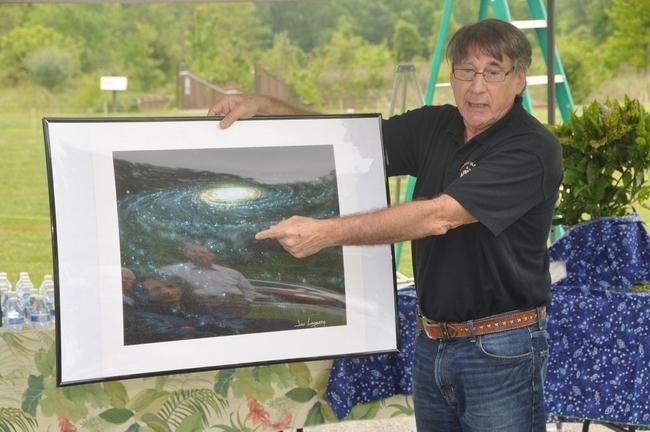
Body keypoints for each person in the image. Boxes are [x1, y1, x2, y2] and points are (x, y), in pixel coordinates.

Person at [209, 18, 562, 432]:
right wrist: (266, 107)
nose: (476, 86)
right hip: (432, 344)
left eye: (493, 72)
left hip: (502, 350)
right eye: (465, 71)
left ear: (520, 80)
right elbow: (346, 143)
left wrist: (325, 232)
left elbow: (439, 216)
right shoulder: (437, 125)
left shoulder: (532, 148)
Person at [161, 241, 256, 318]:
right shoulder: (172, 270)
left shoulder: (232, 272)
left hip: (232, 305)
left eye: (203, 252)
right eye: (194, 252)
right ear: (187, 255)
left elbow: (248, 289)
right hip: (196, 306)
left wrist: (247, 302)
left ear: (212, 255)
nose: (199, 255)